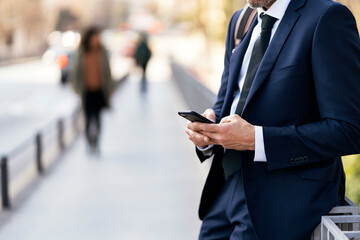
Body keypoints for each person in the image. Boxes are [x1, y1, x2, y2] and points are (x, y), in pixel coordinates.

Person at [185, 0, 360, 239]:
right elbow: (225, 101)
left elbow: (349, 130)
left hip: (281, 204)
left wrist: (256, 140)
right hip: (224, 192)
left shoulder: (328, 17)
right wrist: (207, 132)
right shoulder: (240, 21)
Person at [70, 26, 114, 154]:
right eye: (95, 37)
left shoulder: (102, 52)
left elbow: (107, 71)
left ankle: (97, 141)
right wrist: (76, 88)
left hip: (99, 90)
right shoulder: (81, 52)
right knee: (88, 118)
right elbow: (75, 72)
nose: (97, 40)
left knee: (98, 117)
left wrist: (110, 88)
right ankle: (89, 142)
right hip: (87, 91)